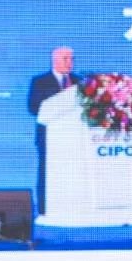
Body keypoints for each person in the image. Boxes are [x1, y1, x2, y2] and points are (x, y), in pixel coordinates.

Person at [27, 46, 80, 215]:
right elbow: (33, 107)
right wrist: (56, 106)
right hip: (49, 136)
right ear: (55, 60)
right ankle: (44, 208)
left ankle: (72, 205)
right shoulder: (40, 81)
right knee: (46, 172)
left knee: (73, 171)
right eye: (65, 59)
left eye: (71, 59)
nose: (69, 62)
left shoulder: (79, 82)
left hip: (75, 136)